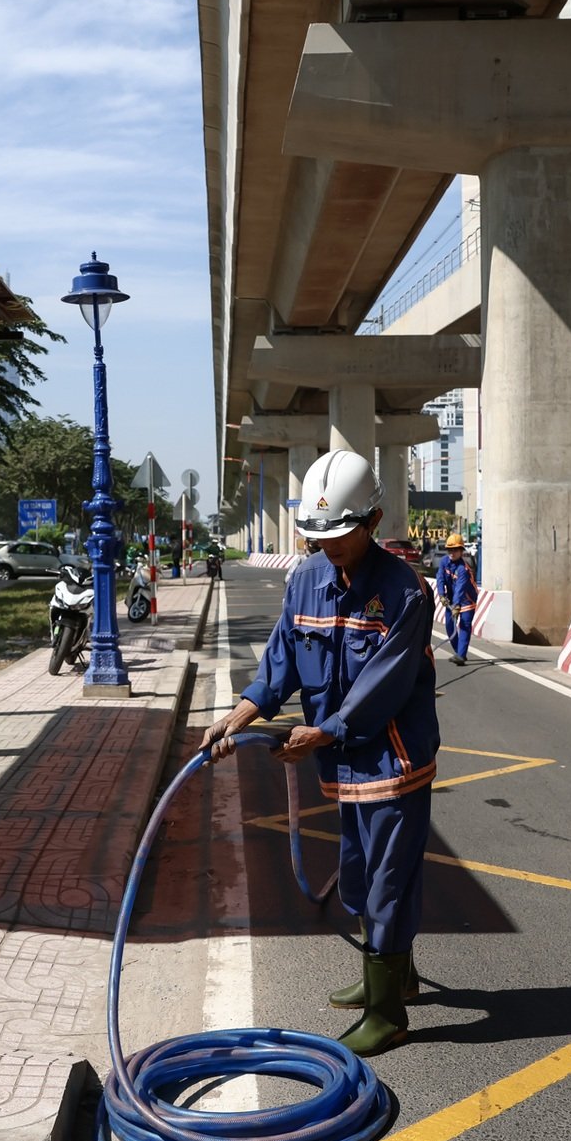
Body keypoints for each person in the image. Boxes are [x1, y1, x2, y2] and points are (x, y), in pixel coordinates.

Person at [200, 449, 438, 1058]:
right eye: (317, 533)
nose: (327, 545)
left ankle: (389, 1013)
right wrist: (238, 715)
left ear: (375, 520)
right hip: (340, 763)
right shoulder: (306, 578)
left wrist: (323, 731)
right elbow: (280, 660)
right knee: (358, 876)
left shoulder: (405, 593)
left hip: (393, 761)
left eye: (341, 533)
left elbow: (380, 687)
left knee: (388, 881)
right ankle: (392, 974)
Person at [435, 533, 478, 667]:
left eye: (455, 550)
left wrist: (457, 605)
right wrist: (442, 595)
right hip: (451, 599)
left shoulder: (463, 569)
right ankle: (458, 652)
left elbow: (460, 589)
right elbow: (440, 578)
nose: (452, 553)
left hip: (466, 600)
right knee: (449, 626)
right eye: (450, 550)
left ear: (461, 551)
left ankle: (461, 654)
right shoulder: (444, 562)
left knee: (464, 626)